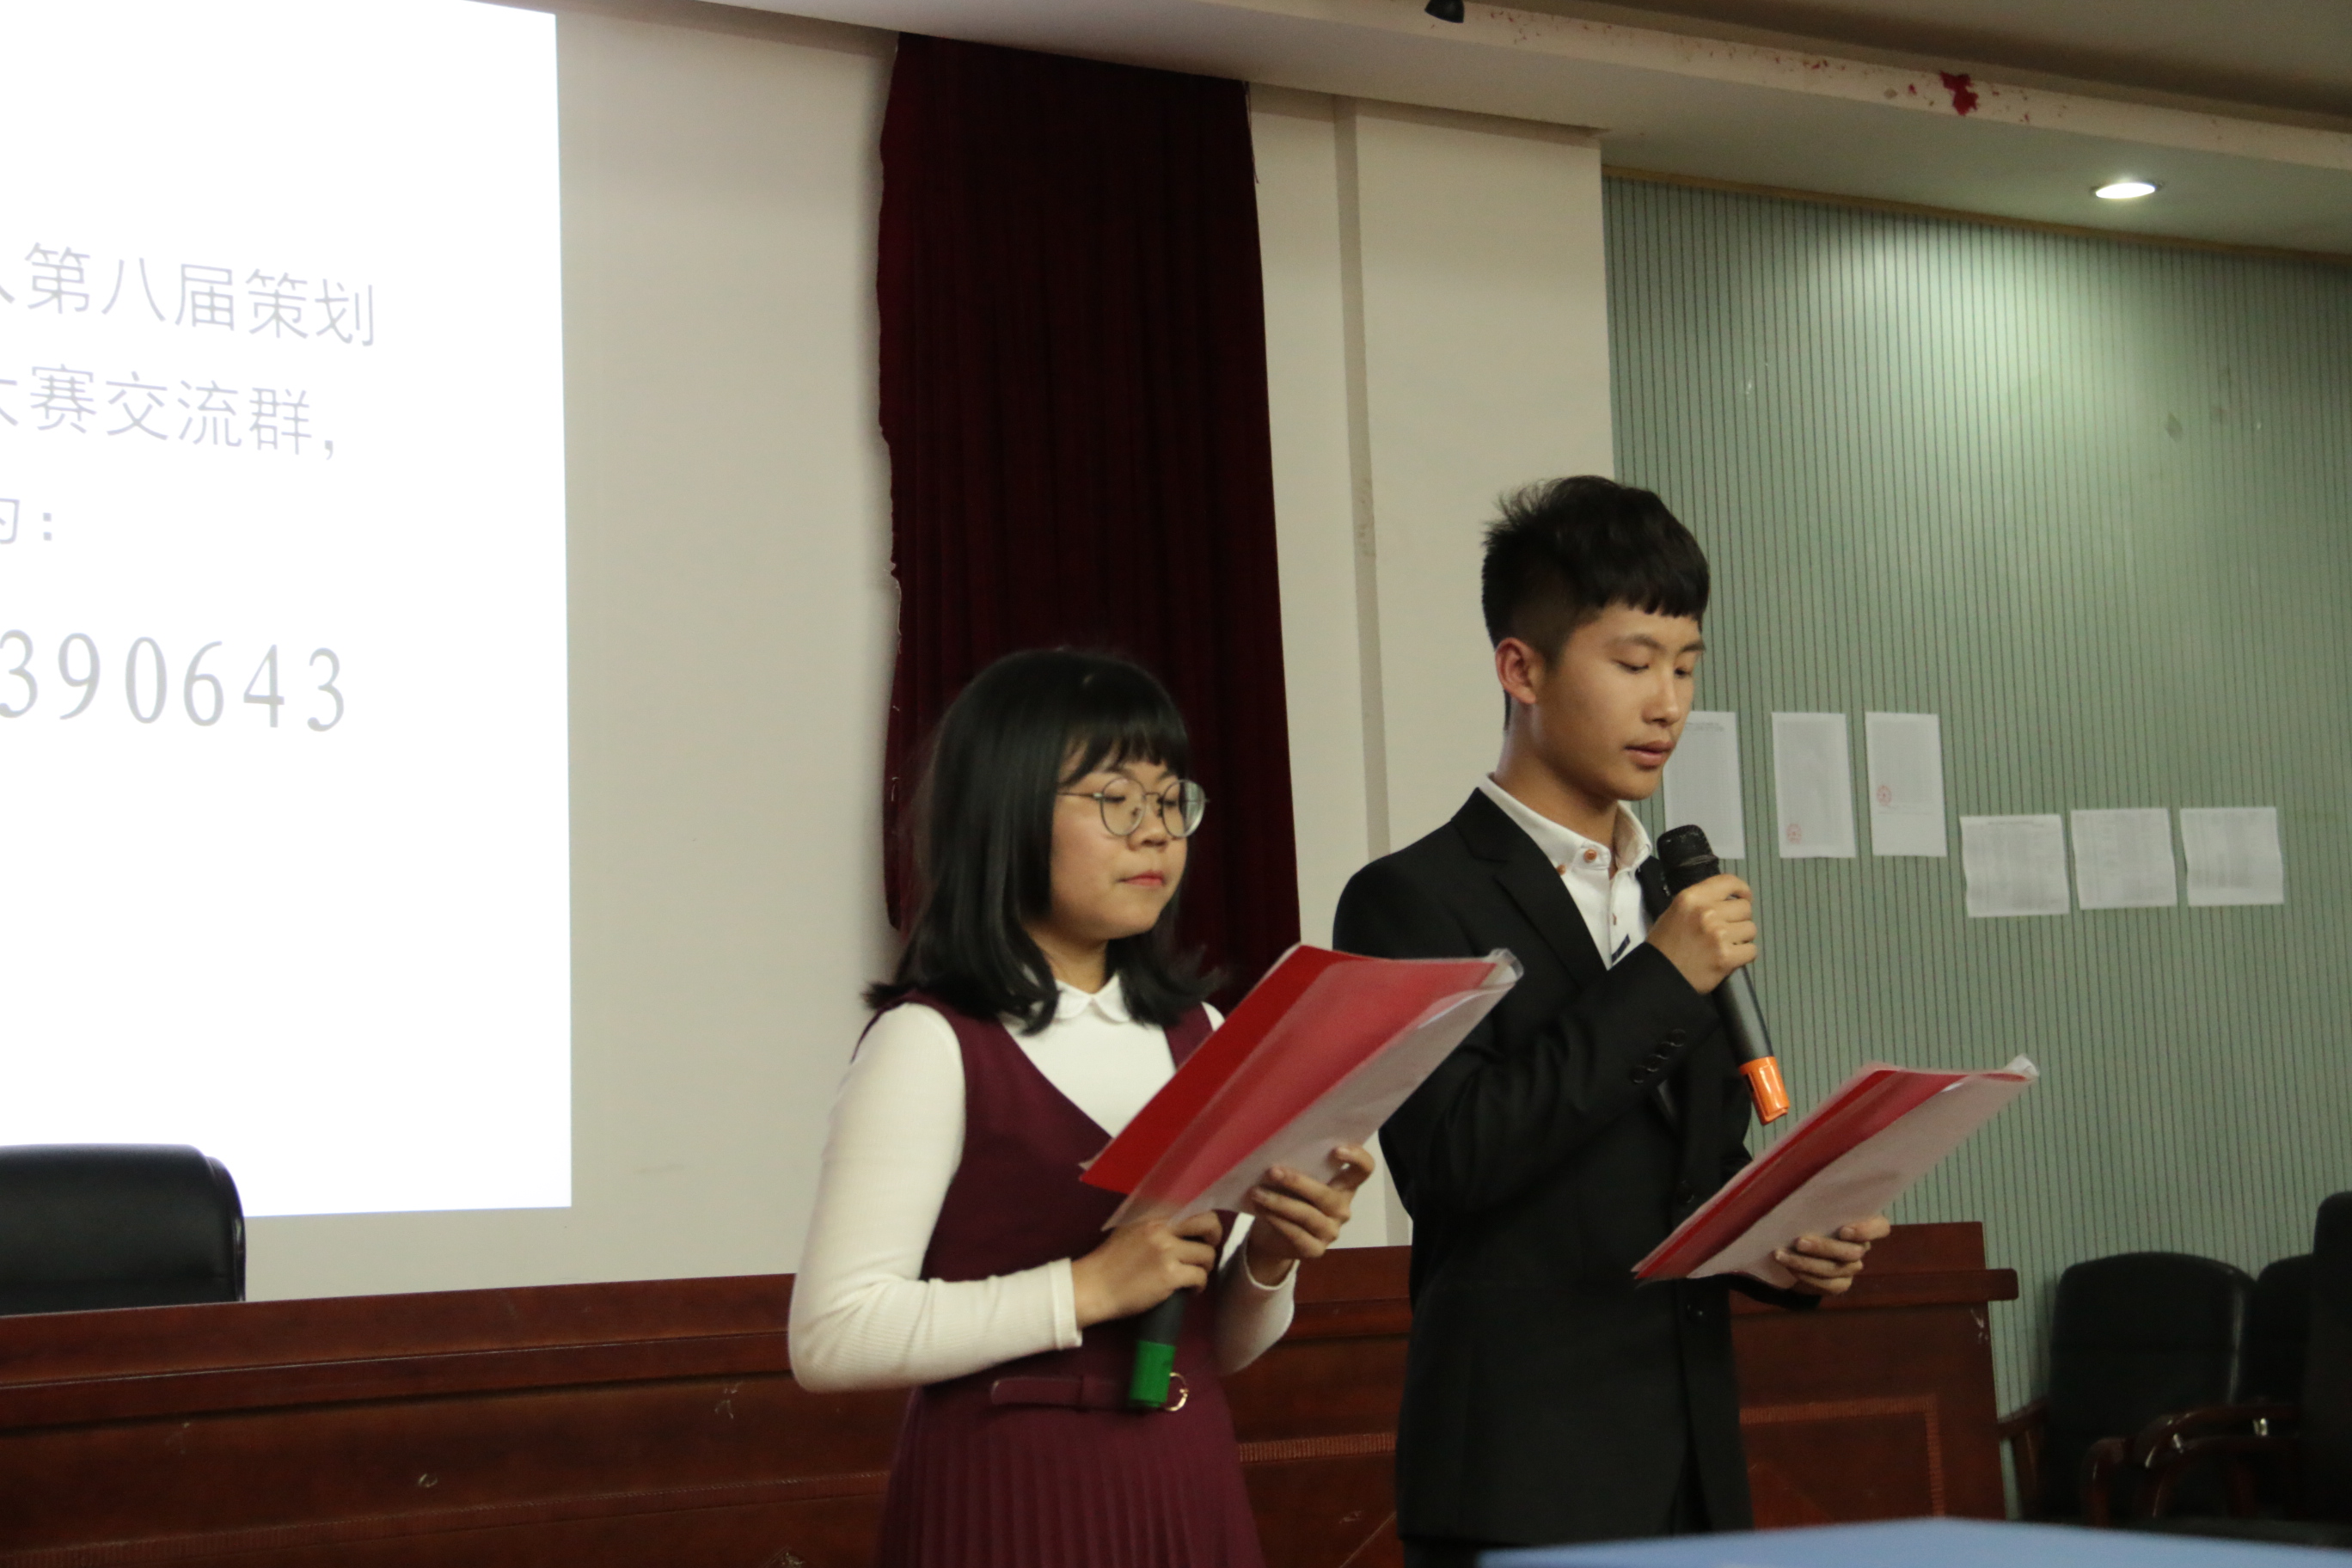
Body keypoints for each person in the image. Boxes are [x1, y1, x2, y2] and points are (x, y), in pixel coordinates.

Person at [1332, 477, 1891, 1565]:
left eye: (1686, 666)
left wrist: (1773, 1247)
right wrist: (1661, 977)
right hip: (1523, 1479)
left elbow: (1681, 1173)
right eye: (1634, 664)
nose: (1668, 704)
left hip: (1690, 1466)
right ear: (1522, 669)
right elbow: (1453, 1160)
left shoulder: (1668, 889)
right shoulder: (1411, 899)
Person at [792, 647, 1375, 1568]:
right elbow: (834, 1336)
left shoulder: (1205, 1033)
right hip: (1007, 1501)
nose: (1157, 834)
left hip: (1185, 1480)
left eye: (1171, 799)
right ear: (1008, 812)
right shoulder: (931, 1042)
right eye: (1116, 799)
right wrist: (1090, 1288)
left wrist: (1269, 1258)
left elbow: (1215, 1347)